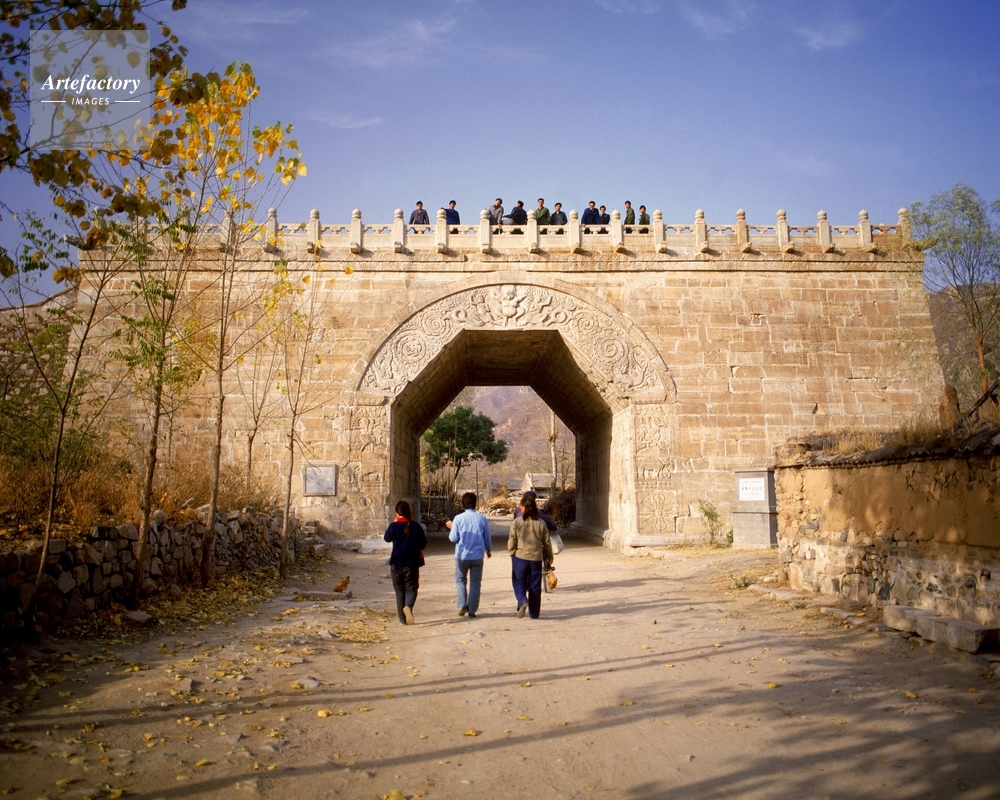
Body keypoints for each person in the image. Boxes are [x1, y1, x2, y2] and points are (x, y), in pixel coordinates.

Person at [508, 493, 554, 619]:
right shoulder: (541, 523)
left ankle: (522, 600)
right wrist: (550, 556)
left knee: (518, 582)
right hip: (536, 559)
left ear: (523, 507)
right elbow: (547, 543)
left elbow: (512, 540)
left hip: (520, 558)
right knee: (535, 585)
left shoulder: (517, 522)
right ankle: (534, 613)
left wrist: (512, 552)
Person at [449, 492, 493, 618]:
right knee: (475, 583)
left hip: (462, 556)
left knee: (460, 579)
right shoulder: (482, 519)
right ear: (475, 503)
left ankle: (463, 604)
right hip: (477, 556)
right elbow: (487, 537)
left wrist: (451, 528)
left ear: (463, 504)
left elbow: (453, 538)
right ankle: (472, 610)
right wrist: (488, 550)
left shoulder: (458, 519)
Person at [383, 500, 427, 625]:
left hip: (396, 563)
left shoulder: (393, 526)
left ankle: (402, 620)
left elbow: (386, 538)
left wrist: (395, 523)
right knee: (412, 588)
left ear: (397, 513)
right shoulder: (416, 526)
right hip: (411, 564)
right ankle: (408, 606)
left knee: (399, 591)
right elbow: (423, 544)